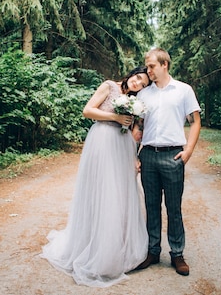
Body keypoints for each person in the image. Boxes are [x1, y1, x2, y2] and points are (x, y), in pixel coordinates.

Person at [40, 67, 150, 287]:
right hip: (101, 140)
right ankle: (93, 244)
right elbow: (88, 110)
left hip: (122, 146)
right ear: (131, 75)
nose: (138, 84)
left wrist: (134, 156)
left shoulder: (133, 101)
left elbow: (132, 131)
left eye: (144, 84)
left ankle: (115, 245)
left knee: (119, 193)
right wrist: (115, 117)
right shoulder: (109, 86)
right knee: (102, 190)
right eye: (138, 78)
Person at [134, 48, 201, 276]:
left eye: (152, 66)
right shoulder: (144, 95)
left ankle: (177, 253)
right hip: (148, 156)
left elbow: (195, 122)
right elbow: (138, 128)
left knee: (174, 208)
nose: (148, 70)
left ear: (164, 65)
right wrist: (135, 155)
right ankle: (153, 251)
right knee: (151, 207)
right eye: (147, 66)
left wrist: (188, 151)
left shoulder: (183, 91)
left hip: (173, 156)